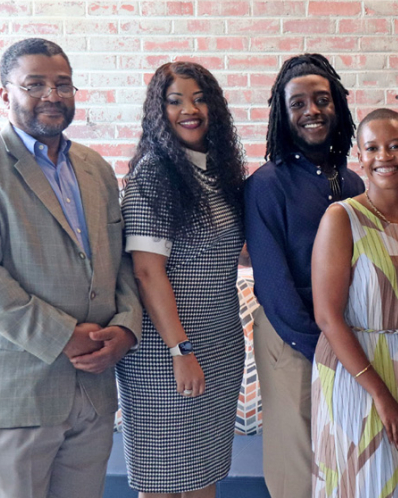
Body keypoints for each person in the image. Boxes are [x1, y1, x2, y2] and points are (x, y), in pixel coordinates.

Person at [0, 38, 142, 498]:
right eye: (35, 84)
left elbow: (120, 263)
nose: (52, 95)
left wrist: (127, 328)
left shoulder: (95, 169)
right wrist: (63, 335)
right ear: (4, 93)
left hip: (91, 396)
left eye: (63, 84)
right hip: (12, 395)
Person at [115, 61, 246, 497]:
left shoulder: (215, 171)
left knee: (202, 473)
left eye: (199, 98)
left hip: (219, 343)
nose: (189, 110)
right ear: (159, 110)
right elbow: (147, 272)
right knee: (162, 477)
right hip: (165, 351)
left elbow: (228, 251)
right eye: (175, 101)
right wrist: (181, 350)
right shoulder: (154, 174)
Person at [309, 109, 398, 497]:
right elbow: (327, 316)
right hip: (358, 371)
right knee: (372, 482)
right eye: (372, 148)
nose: (384, 156)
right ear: (360, 157)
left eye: (395, 146)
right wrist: (379, 394)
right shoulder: (341, 218)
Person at [244, 53, 366, 498]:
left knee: (344, 454)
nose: (312, 111)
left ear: (338, 107)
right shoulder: (267, 185)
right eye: (298, 103)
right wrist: (327, 349)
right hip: (293, 336)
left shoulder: (352, 182)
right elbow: (273, 287)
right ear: (283, 113)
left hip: (346, 338)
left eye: (322, 100)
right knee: (298, 460)